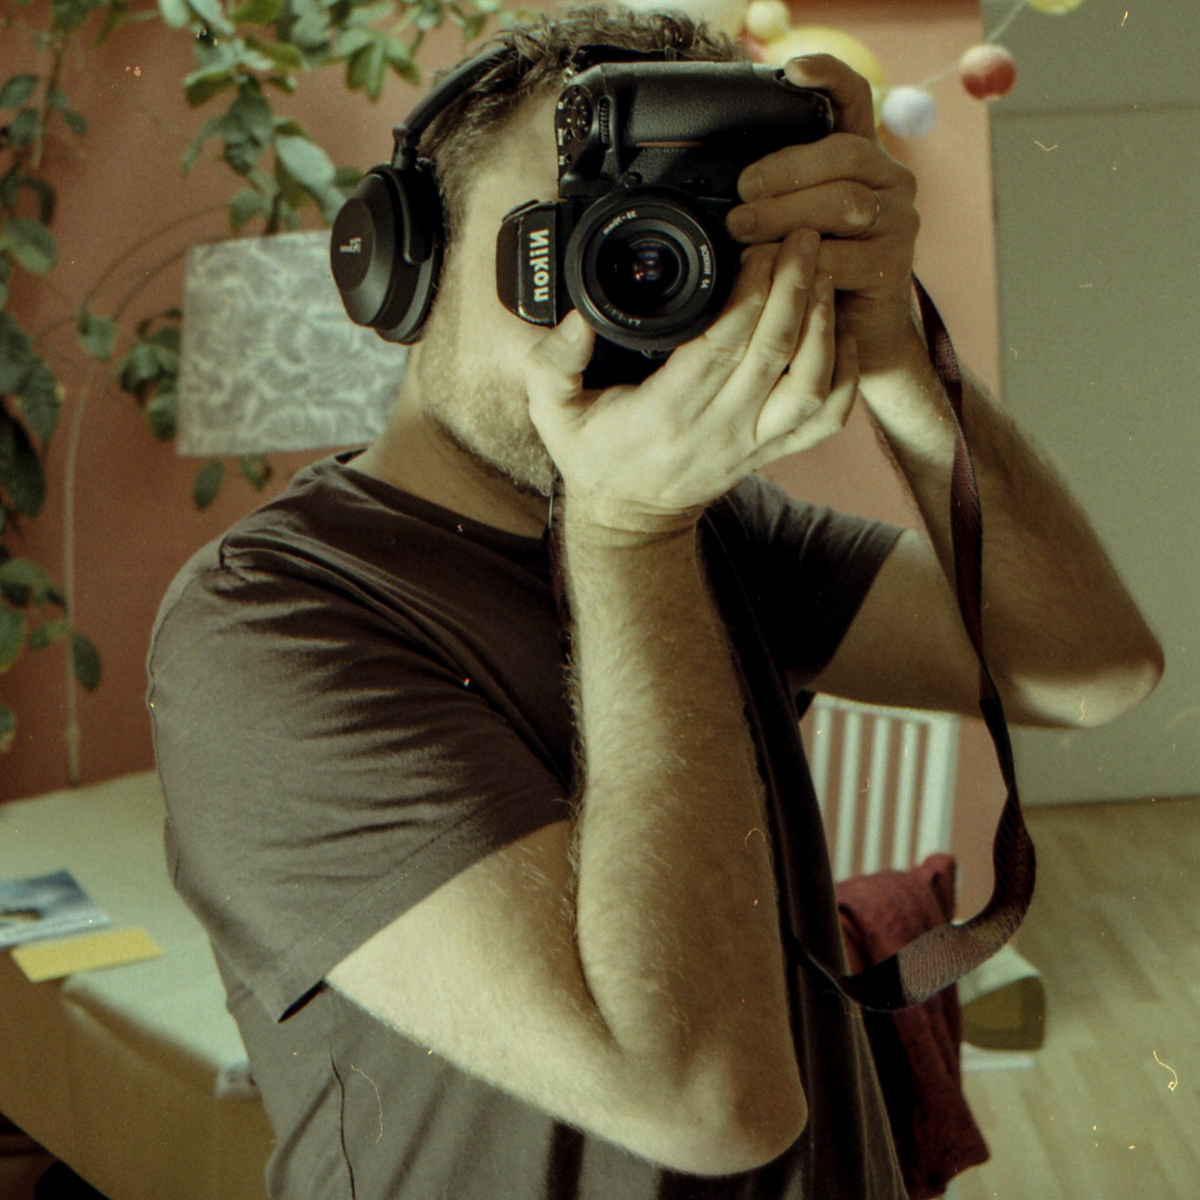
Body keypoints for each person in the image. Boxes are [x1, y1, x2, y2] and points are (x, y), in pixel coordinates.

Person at [146, 6, 1163, 1198]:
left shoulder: (721, 531)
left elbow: (1089, 672)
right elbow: (704, 1104)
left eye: (691, 241)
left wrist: (898, 354)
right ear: (403, 269)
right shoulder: (265, 622)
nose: (628, 287)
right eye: (571, 235)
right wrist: (628, 527)